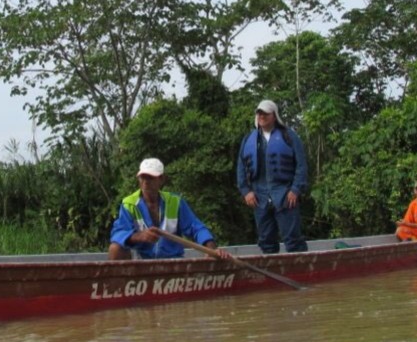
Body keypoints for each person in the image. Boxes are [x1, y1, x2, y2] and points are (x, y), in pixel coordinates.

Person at [109, 158, 231, 260]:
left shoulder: (175, 202)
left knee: (211, 253)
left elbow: (196, 227)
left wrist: (211, 248)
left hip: (172, 259)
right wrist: (138, 236)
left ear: (161, 179)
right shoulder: (129, 204)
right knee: (115, 248)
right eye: (143, 177)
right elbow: (118, 233)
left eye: (150, 178)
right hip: (141, 260)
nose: (145, 182)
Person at [236, 100, 309, 254]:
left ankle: (301, 273)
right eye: (259, 113)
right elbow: (241, 168)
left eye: (265, 113)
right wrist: (246, 191)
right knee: (266, 242)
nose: (262, 116)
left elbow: (301, 166)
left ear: (274, 115)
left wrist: (295, 189)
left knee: (293, 240)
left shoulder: (289, 136)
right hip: (259, 197)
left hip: (285, 195)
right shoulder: (249, 139)